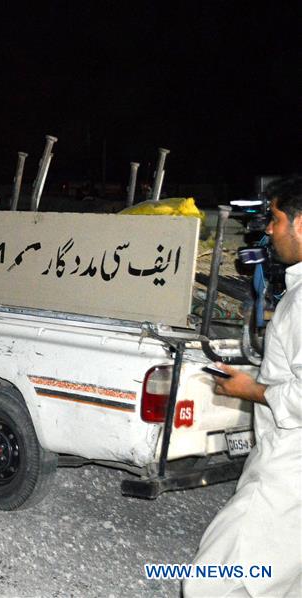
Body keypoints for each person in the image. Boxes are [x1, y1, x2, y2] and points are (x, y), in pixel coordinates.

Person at [184, 175, 302, 597]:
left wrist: (248, 389)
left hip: (287, 467)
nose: (269, 229)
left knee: (209, 582)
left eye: (276, 219)